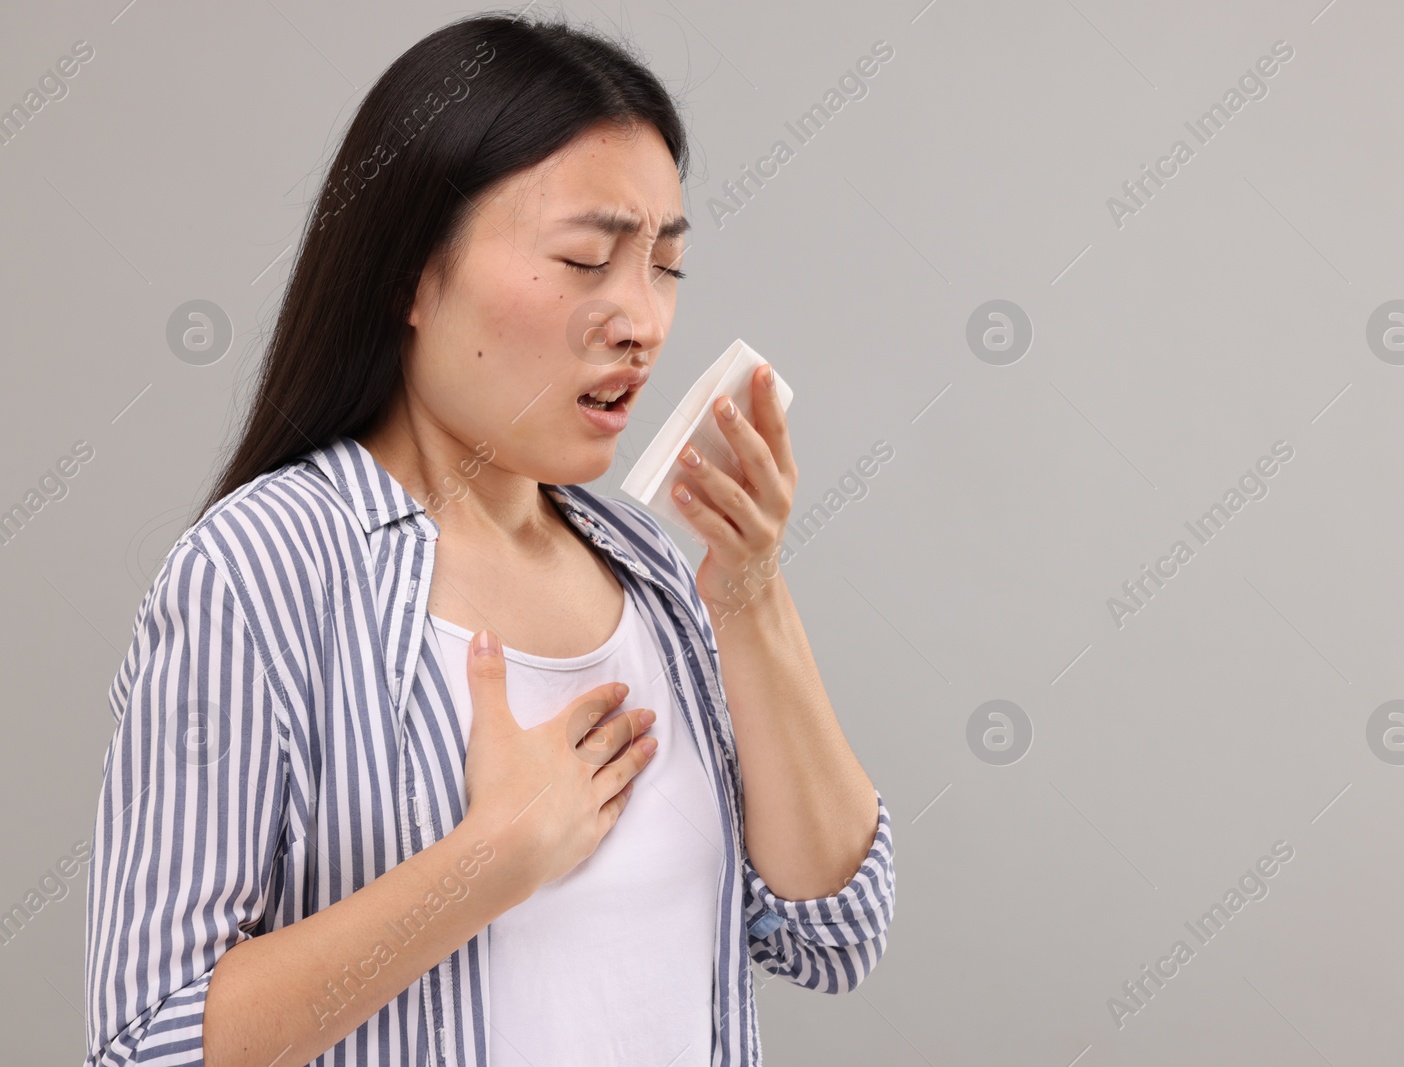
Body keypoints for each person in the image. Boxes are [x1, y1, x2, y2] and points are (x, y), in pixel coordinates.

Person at [82, 13, 894, 1066]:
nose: (641, 318)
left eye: (664, 265)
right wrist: (489, 859)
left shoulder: (651, 572)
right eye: (585, 258)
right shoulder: (259, 572)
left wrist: (750, 589)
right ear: (410, 275)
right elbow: (145, 1041)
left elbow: (833, 933)